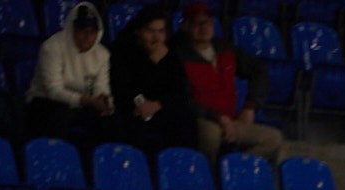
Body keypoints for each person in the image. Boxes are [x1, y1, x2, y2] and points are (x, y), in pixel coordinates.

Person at [175, 1, 280, 161]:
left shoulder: (225, 48)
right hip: (199, 121)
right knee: (210, 135)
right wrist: (217, 117)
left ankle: (233, 169)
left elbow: (259, 70)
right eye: (197, 23)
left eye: (207, 22)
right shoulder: (177, 56)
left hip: (230, 120)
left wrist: (250, 106)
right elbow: (182, 100)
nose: (203, 28)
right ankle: (206, 176)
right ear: (185, 26)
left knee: (273, 139)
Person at [109, 6, 192, 155]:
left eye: (161, 31)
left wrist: (159, 104)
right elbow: (122, 84)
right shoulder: (122, 50)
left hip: (159, 108)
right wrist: (141, 102)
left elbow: (179, 89)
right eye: (150, 31)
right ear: (139, 31)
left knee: (185, 121)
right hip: (131, 106)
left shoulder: (169, 54)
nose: (156, 38)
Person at [26, 2, 113, 141]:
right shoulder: (52, 47)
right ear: (72, 29)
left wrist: (104, 100)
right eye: (82, 29)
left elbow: (101, 86)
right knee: (60, 114)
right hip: (45, 102)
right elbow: (53, 90)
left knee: (109, 118)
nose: (87, 35)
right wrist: (88, 101)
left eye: (92, 31)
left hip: (83, 105)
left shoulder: (102, 54)